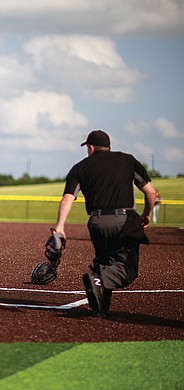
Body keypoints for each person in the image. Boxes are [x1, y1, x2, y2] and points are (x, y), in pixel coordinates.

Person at [53, 130, 156, 318]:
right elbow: (151, 193)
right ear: (108, 146)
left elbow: (67, 199)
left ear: (90, 148)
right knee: (127, 268)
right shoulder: (127, 160)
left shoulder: (79, 168)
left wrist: (60, 227)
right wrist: (146, 214)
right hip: (124, 220)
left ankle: (102, 307)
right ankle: (99, 279)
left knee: (105, 262)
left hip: (96, 221)